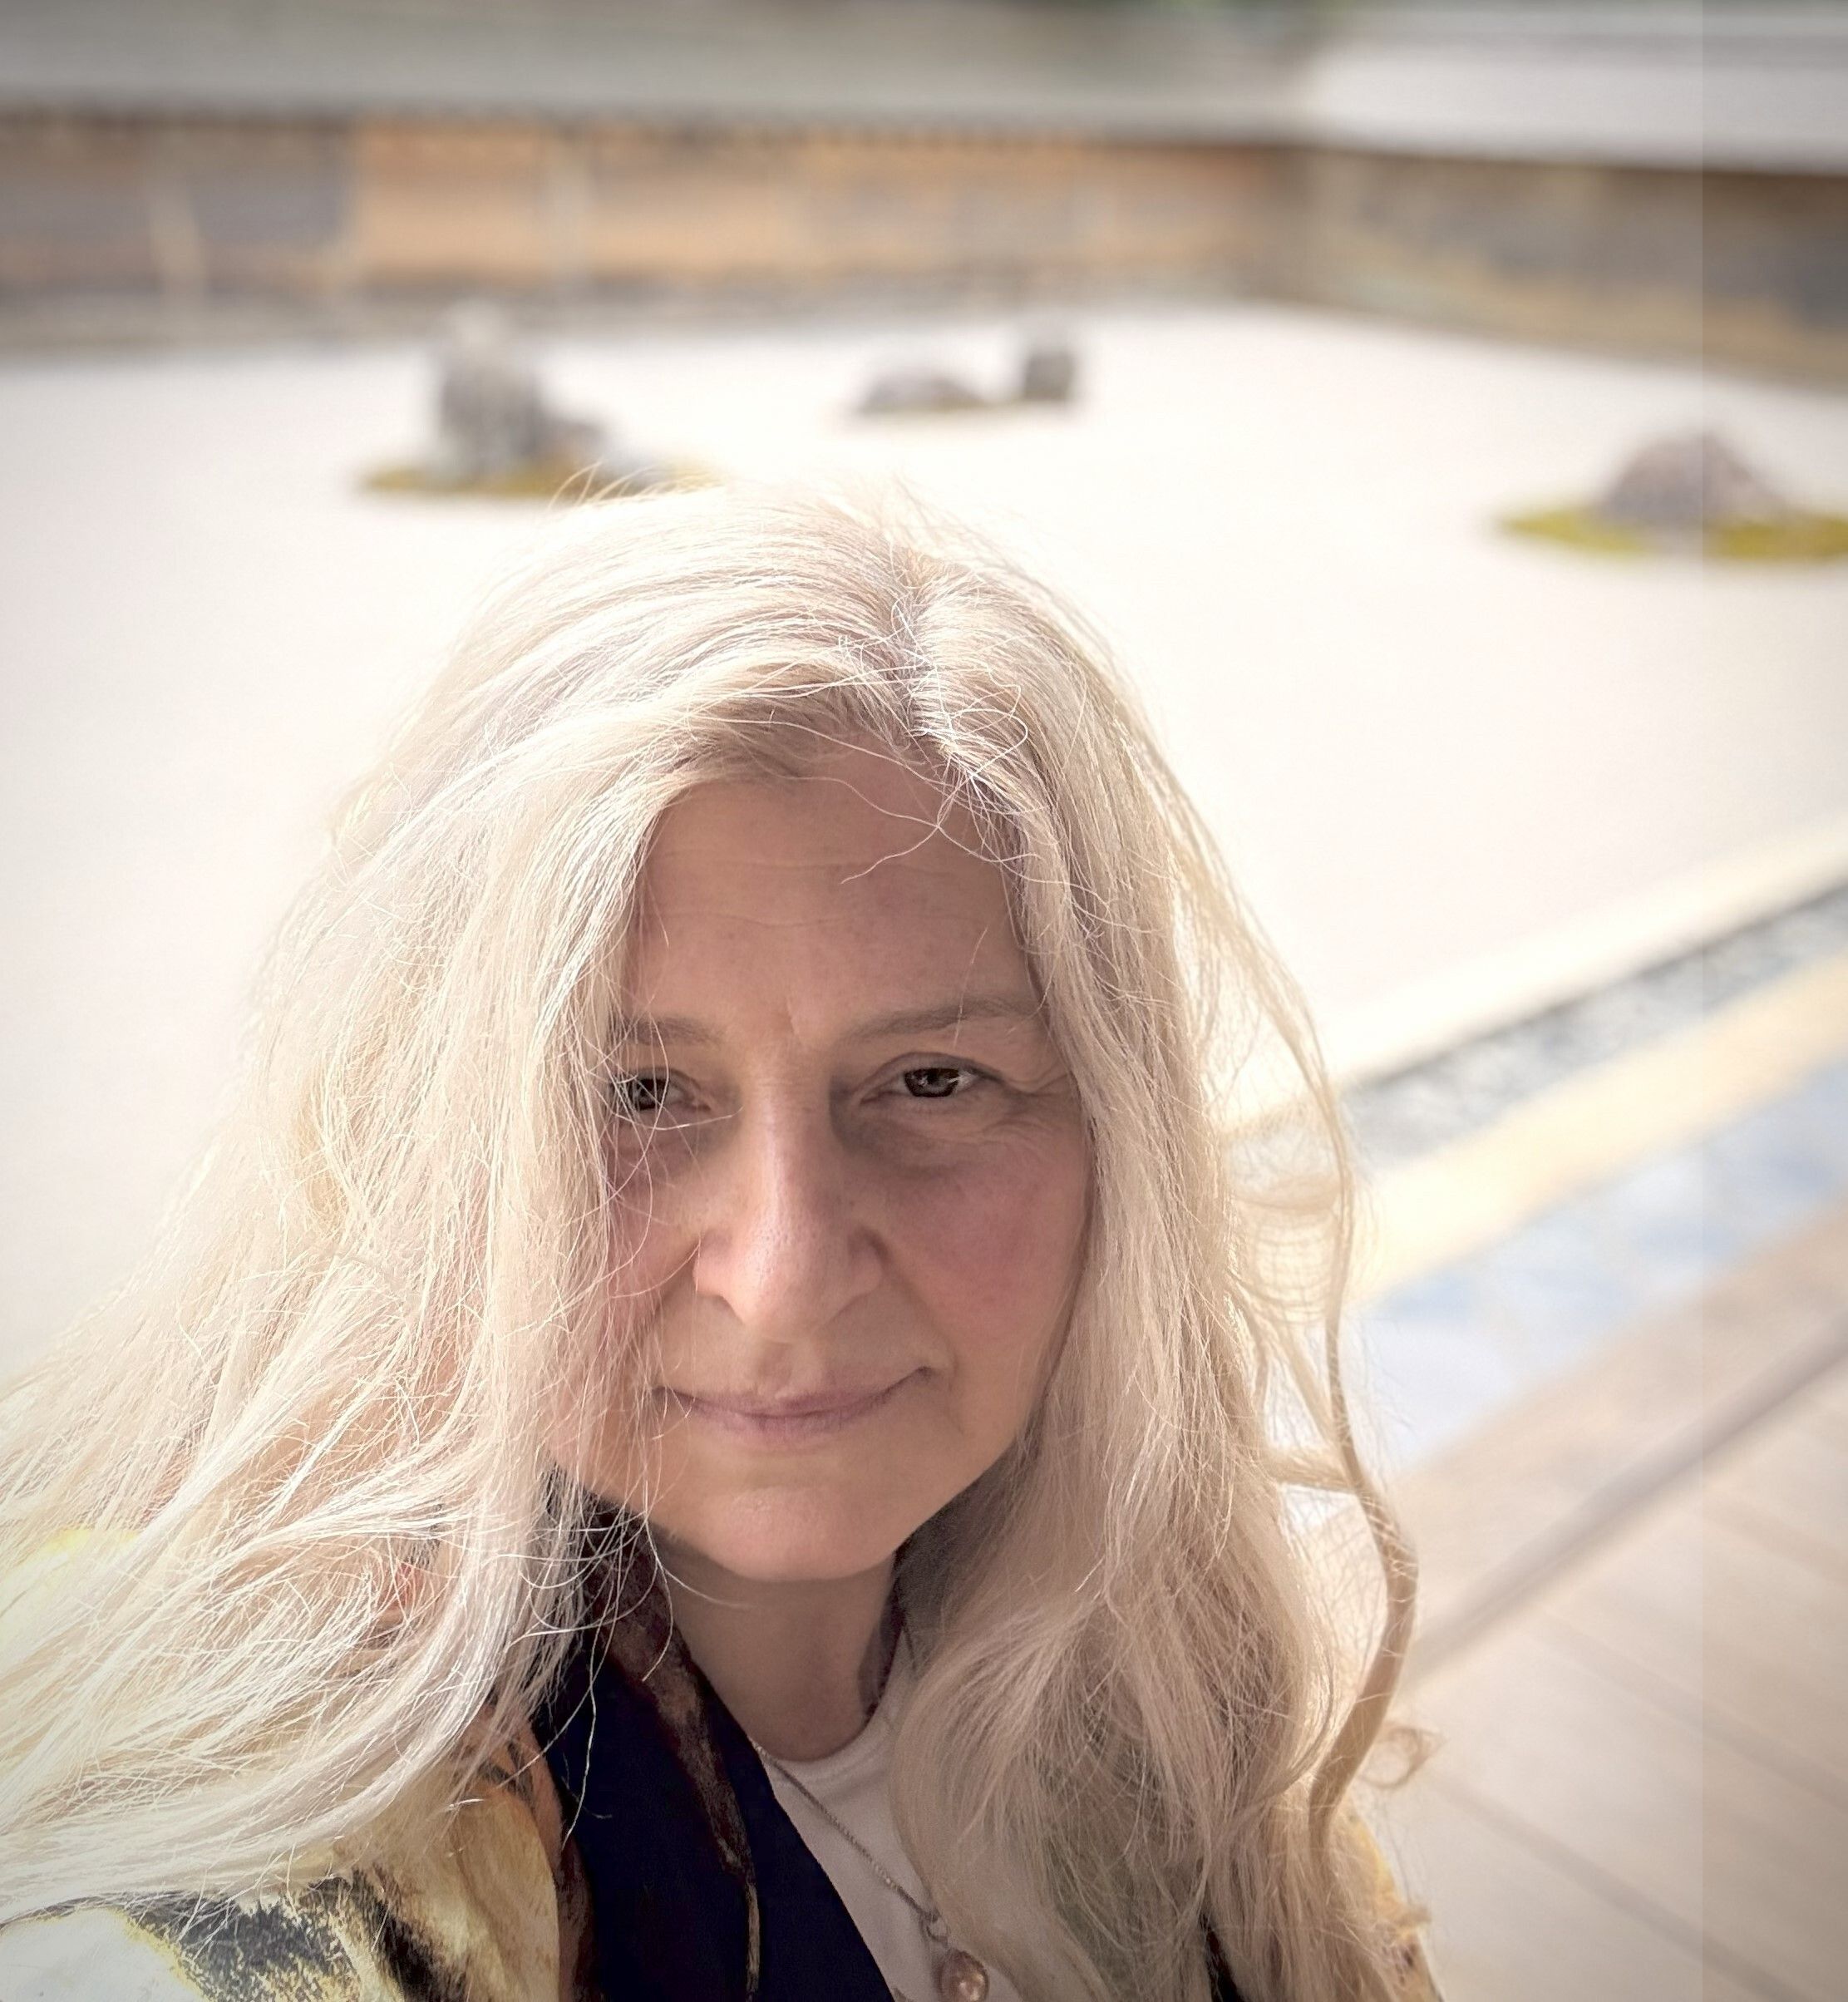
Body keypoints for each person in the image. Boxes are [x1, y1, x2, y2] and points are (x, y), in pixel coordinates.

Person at [0, 486, 1434, 2002]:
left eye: (932, 1083)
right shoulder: (295, 1844)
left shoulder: (1179, 1703)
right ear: (441, 1146)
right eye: (636, 1095)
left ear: (1113, 1139)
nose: (784, 1273)